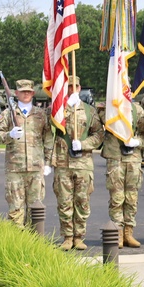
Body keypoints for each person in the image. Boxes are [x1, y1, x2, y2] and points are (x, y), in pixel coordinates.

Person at [49, 76, 105, 251]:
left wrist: (84, 144)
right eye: (69, 86)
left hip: (83, 163)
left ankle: (79, 236)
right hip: (62, 161)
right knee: (64, 201)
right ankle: (67, 237)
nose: (72, 89)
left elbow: (99, 134)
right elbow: (49, 130)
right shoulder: (57, 110)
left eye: (75, 86)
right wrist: (65, 109)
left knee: (82, 200)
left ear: (80, 88)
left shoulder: (90, 111)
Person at [0, 79, 49, 226]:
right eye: (22, 91)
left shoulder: (41, 114)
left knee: (35, 209)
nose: (25, 94)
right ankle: (18, 242)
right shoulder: (7, 114)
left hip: (36, 168)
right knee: (15, 209)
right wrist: (9, 135)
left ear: (33, 93)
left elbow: (48, 139)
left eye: (28, 92)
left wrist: (49, 162)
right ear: (16, 93)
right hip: (15, 168)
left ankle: (35, 243)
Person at [102, 100, 144, 248]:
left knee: (131, 198)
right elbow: (103, 120)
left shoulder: (138, 109)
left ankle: (129, 233)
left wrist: (137, 141)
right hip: (115, 157)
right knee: (116, 198)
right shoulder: (108, 107)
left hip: (133, 159)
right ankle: (118, 233)